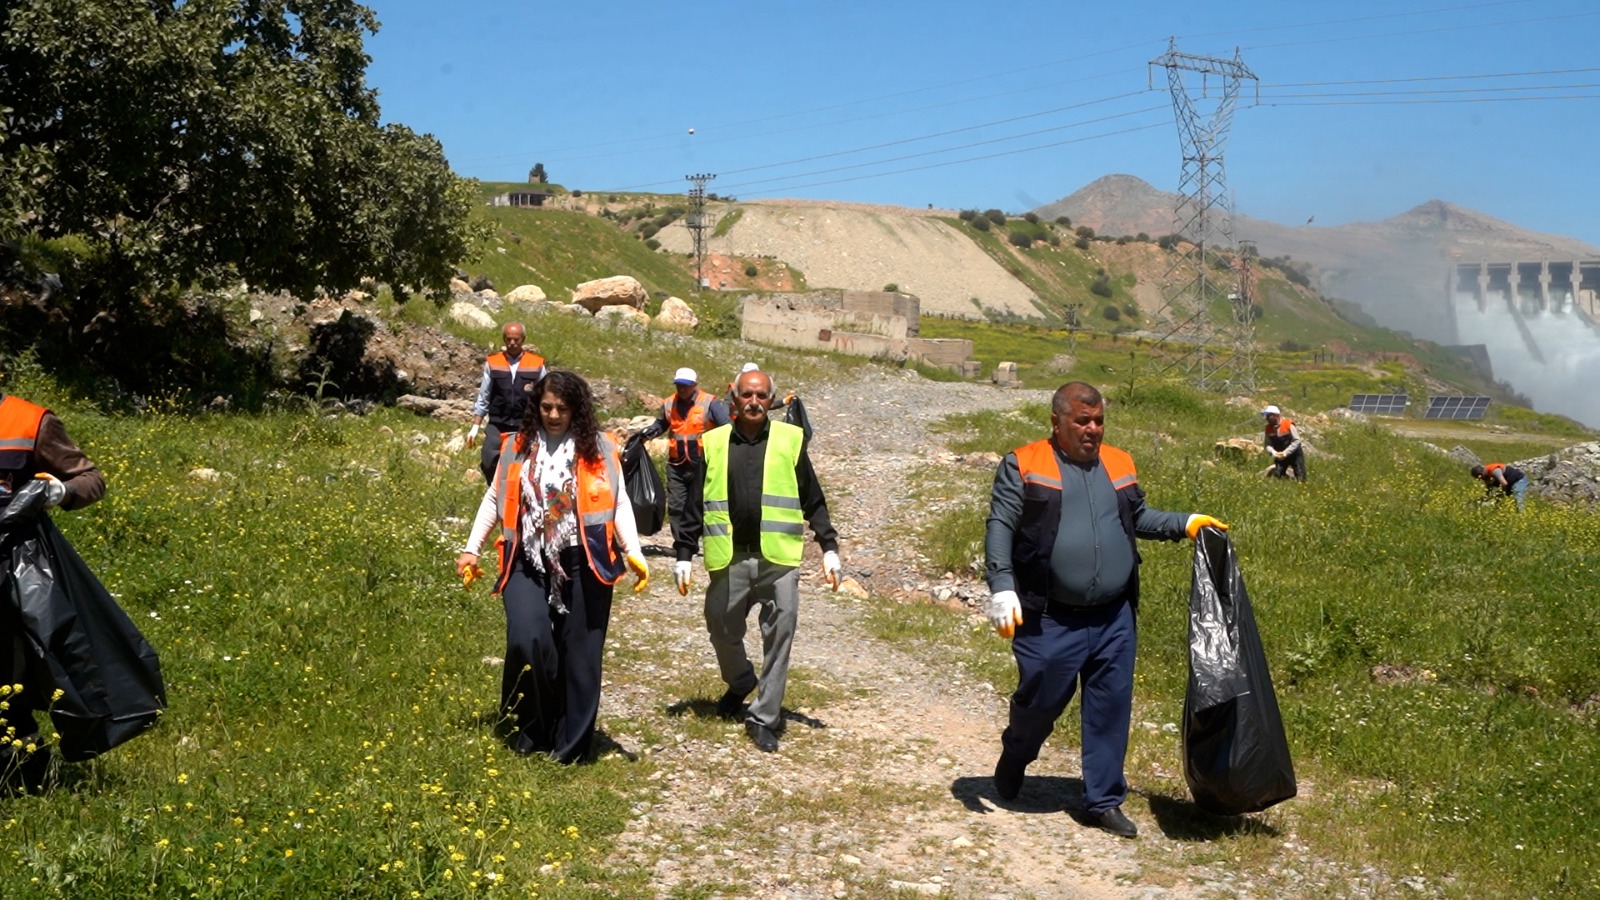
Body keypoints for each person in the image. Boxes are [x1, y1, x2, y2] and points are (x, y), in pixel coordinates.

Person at [984, 381, 1226, 839]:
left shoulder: (1119, 462)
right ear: (1056, 422)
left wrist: (1186, 523)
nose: (1092, 429)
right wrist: (1002, 586)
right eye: (1082, 421)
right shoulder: (1023, 463)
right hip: (1050, 616)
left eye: (1098, 421)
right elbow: (1001, 524)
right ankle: (1016, 753)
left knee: (1110, 708)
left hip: (1113, 616)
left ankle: (1103, 800)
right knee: (1039, 704)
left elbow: (1136, 518)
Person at [455, 370, 648, 763]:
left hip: (584, 561)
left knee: (581, 655)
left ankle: (571, 748)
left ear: (577, 408)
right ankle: (532, 730)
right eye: (547, 407)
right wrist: (471, 548)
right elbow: (495, 498)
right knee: (529, 640)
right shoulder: (517, 446)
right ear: (536, 407)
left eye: (563, 407)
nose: (554, 414)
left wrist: (634, 551)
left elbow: (620, 501)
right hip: (526, 559)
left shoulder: (599, 448)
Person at [673, 369, 841, 754]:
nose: (753, 402)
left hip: (778, 559)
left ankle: (764, 717)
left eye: (761, 396)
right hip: (729, 557)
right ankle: (740, 681)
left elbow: (812, 498)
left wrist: (829, 547)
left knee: (780, 637)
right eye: (746, 395)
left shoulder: (790, 440)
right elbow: (694, 504)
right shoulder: (712, 443)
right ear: (733, 397)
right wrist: (684, 553)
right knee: (720, 626)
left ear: (771, 400)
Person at [0, 390, 106, 792]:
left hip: (10, 567)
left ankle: (27, 775)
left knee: (9, 677)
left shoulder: (29, 421)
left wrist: (55, 492)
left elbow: (89, 478)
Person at [636, 367, 730, 547]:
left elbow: (727, 426)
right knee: (677, 506)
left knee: (702, 505)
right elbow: (661, 424)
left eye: (686, 386)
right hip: (677, 464)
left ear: (695, 385)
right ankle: (682, 545)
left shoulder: (709, 402)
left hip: (702, 464)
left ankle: (708, 541)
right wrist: (648, 433)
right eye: (679, 385)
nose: (682, 389)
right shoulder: (669, 403)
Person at [467, 322, 548, 484]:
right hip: (498, 422)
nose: (512, 343)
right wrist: (475, 426)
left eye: (516, 339)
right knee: (489, 459)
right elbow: (484, 395)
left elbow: (545, 396)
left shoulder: (536, 364)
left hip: (525, 424)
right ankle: (495, 489)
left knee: (526, 462)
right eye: (508, 339)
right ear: (504, 339)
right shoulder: (493, 362)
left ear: (523, 339)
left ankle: (519, 495)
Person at [1261, 405, 1306, 481]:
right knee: (1278, 475)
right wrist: (1273, 452)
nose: (1267, 418)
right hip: (1279, 455)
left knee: (1300, 475)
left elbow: (1296, 440)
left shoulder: (1288, 425)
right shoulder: (1268, 428)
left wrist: (1286, 452)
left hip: (1295, 454)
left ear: (1276, 415)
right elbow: (1268, 444)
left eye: (1269, 416)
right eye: (1267, 416)